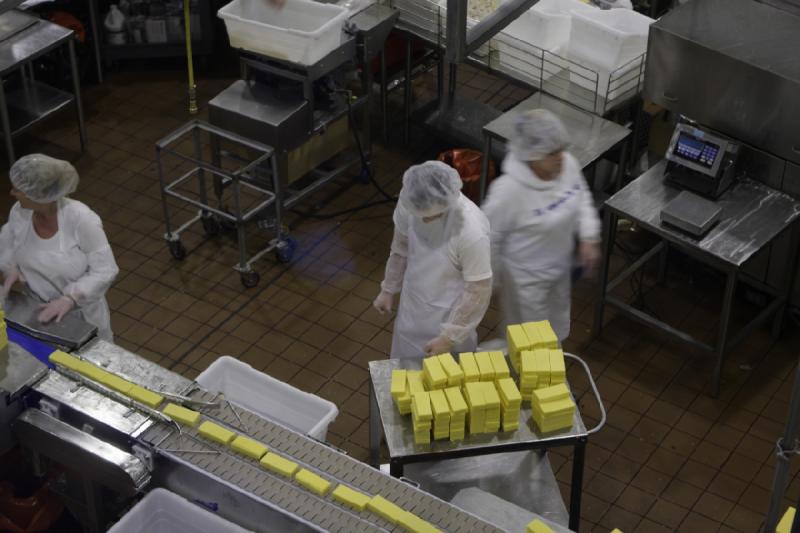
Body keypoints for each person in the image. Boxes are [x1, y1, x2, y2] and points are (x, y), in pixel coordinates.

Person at [482, 109, 601, 341]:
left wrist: (589, 236)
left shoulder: (568, 166)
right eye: (551, 153)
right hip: (525, 282)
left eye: (560, 150)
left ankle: (551, 372)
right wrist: (491, 282)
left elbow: (582, 197)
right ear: (532, 155)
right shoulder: (508, 191)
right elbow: (489, 238)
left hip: (559, 269)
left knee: (556, 331)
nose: (560, 157)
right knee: (528, 342)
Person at [373, 161, 492, 359]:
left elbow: (478, 289)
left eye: (429, 216)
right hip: (413, 308)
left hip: (449, 315)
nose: (422, 220)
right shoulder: (410, 199)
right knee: (406, 375)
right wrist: (389, 288)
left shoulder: (471, 231)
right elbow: (400, 246)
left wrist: (449, 337)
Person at [0, 154, 119, 341]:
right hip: (38, 312)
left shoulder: (81, 219)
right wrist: (10, 267)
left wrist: (70, 299)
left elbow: (105, 270)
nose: (12, 193)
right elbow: (9, 242)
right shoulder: (20, 212)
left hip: (83, 318)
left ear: (39, 196)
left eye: (18, 190)